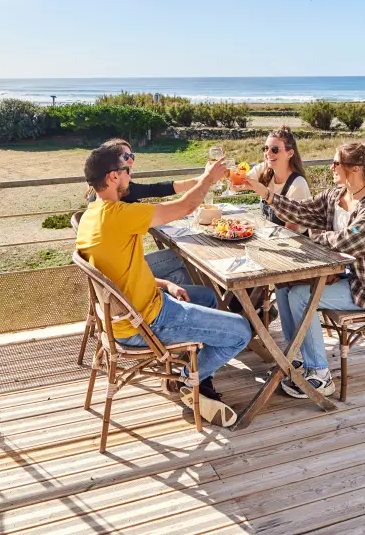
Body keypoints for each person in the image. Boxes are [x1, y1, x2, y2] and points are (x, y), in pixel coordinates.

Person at [76, 143, 252, 426]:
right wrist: (208, 178)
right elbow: (186, 206)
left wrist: (163, 283)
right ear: (112, 178)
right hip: (147, 323)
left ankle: (199, 378)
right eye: (126, 171)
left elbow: (115, 275)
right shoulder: (119, 215)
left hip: (132, 313)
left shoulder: (91, 216)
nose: (130, 177)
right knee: (242, 331)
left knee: (206, 297)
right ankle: (185, 380)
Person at [254, 141, 365, 398]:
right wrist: (268, 195)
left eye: (336, 163)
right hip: (338, 275)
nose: (331, 167)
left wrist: (312, 239)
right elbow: (301, 211)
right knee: (284, 286)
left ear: (356, 169)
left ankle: (320, 374)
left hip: (364, 286)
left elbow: (350, 240)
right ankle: (294, 356)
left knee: (300, 296)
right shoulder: (334, 196)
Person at [86, 137, 204, 287]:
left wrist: (197, 181)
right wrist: (204, 180)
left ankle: (194, 300)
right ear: (112, 169)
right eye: (126, 156)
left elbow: (153, 190)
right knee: (185, 255)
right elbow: (158, 192)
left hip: (117, 270)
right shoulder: (117, 197)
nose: (131, 160)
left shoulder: (99, 197)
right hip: (125, 273)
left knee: (182, 275)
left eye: (132, 156)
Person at [233, 127, 312, 231]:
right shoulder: (264, 169)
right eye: (266, 148)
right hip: (270, 235)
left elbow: (291, 231)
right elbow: (237, 186)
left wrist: (258, 188)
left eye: (274, 150)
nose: (268, 154)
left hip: (297, 243)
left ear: (290, 153)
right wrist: (232, 178)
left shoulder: (298, 185)